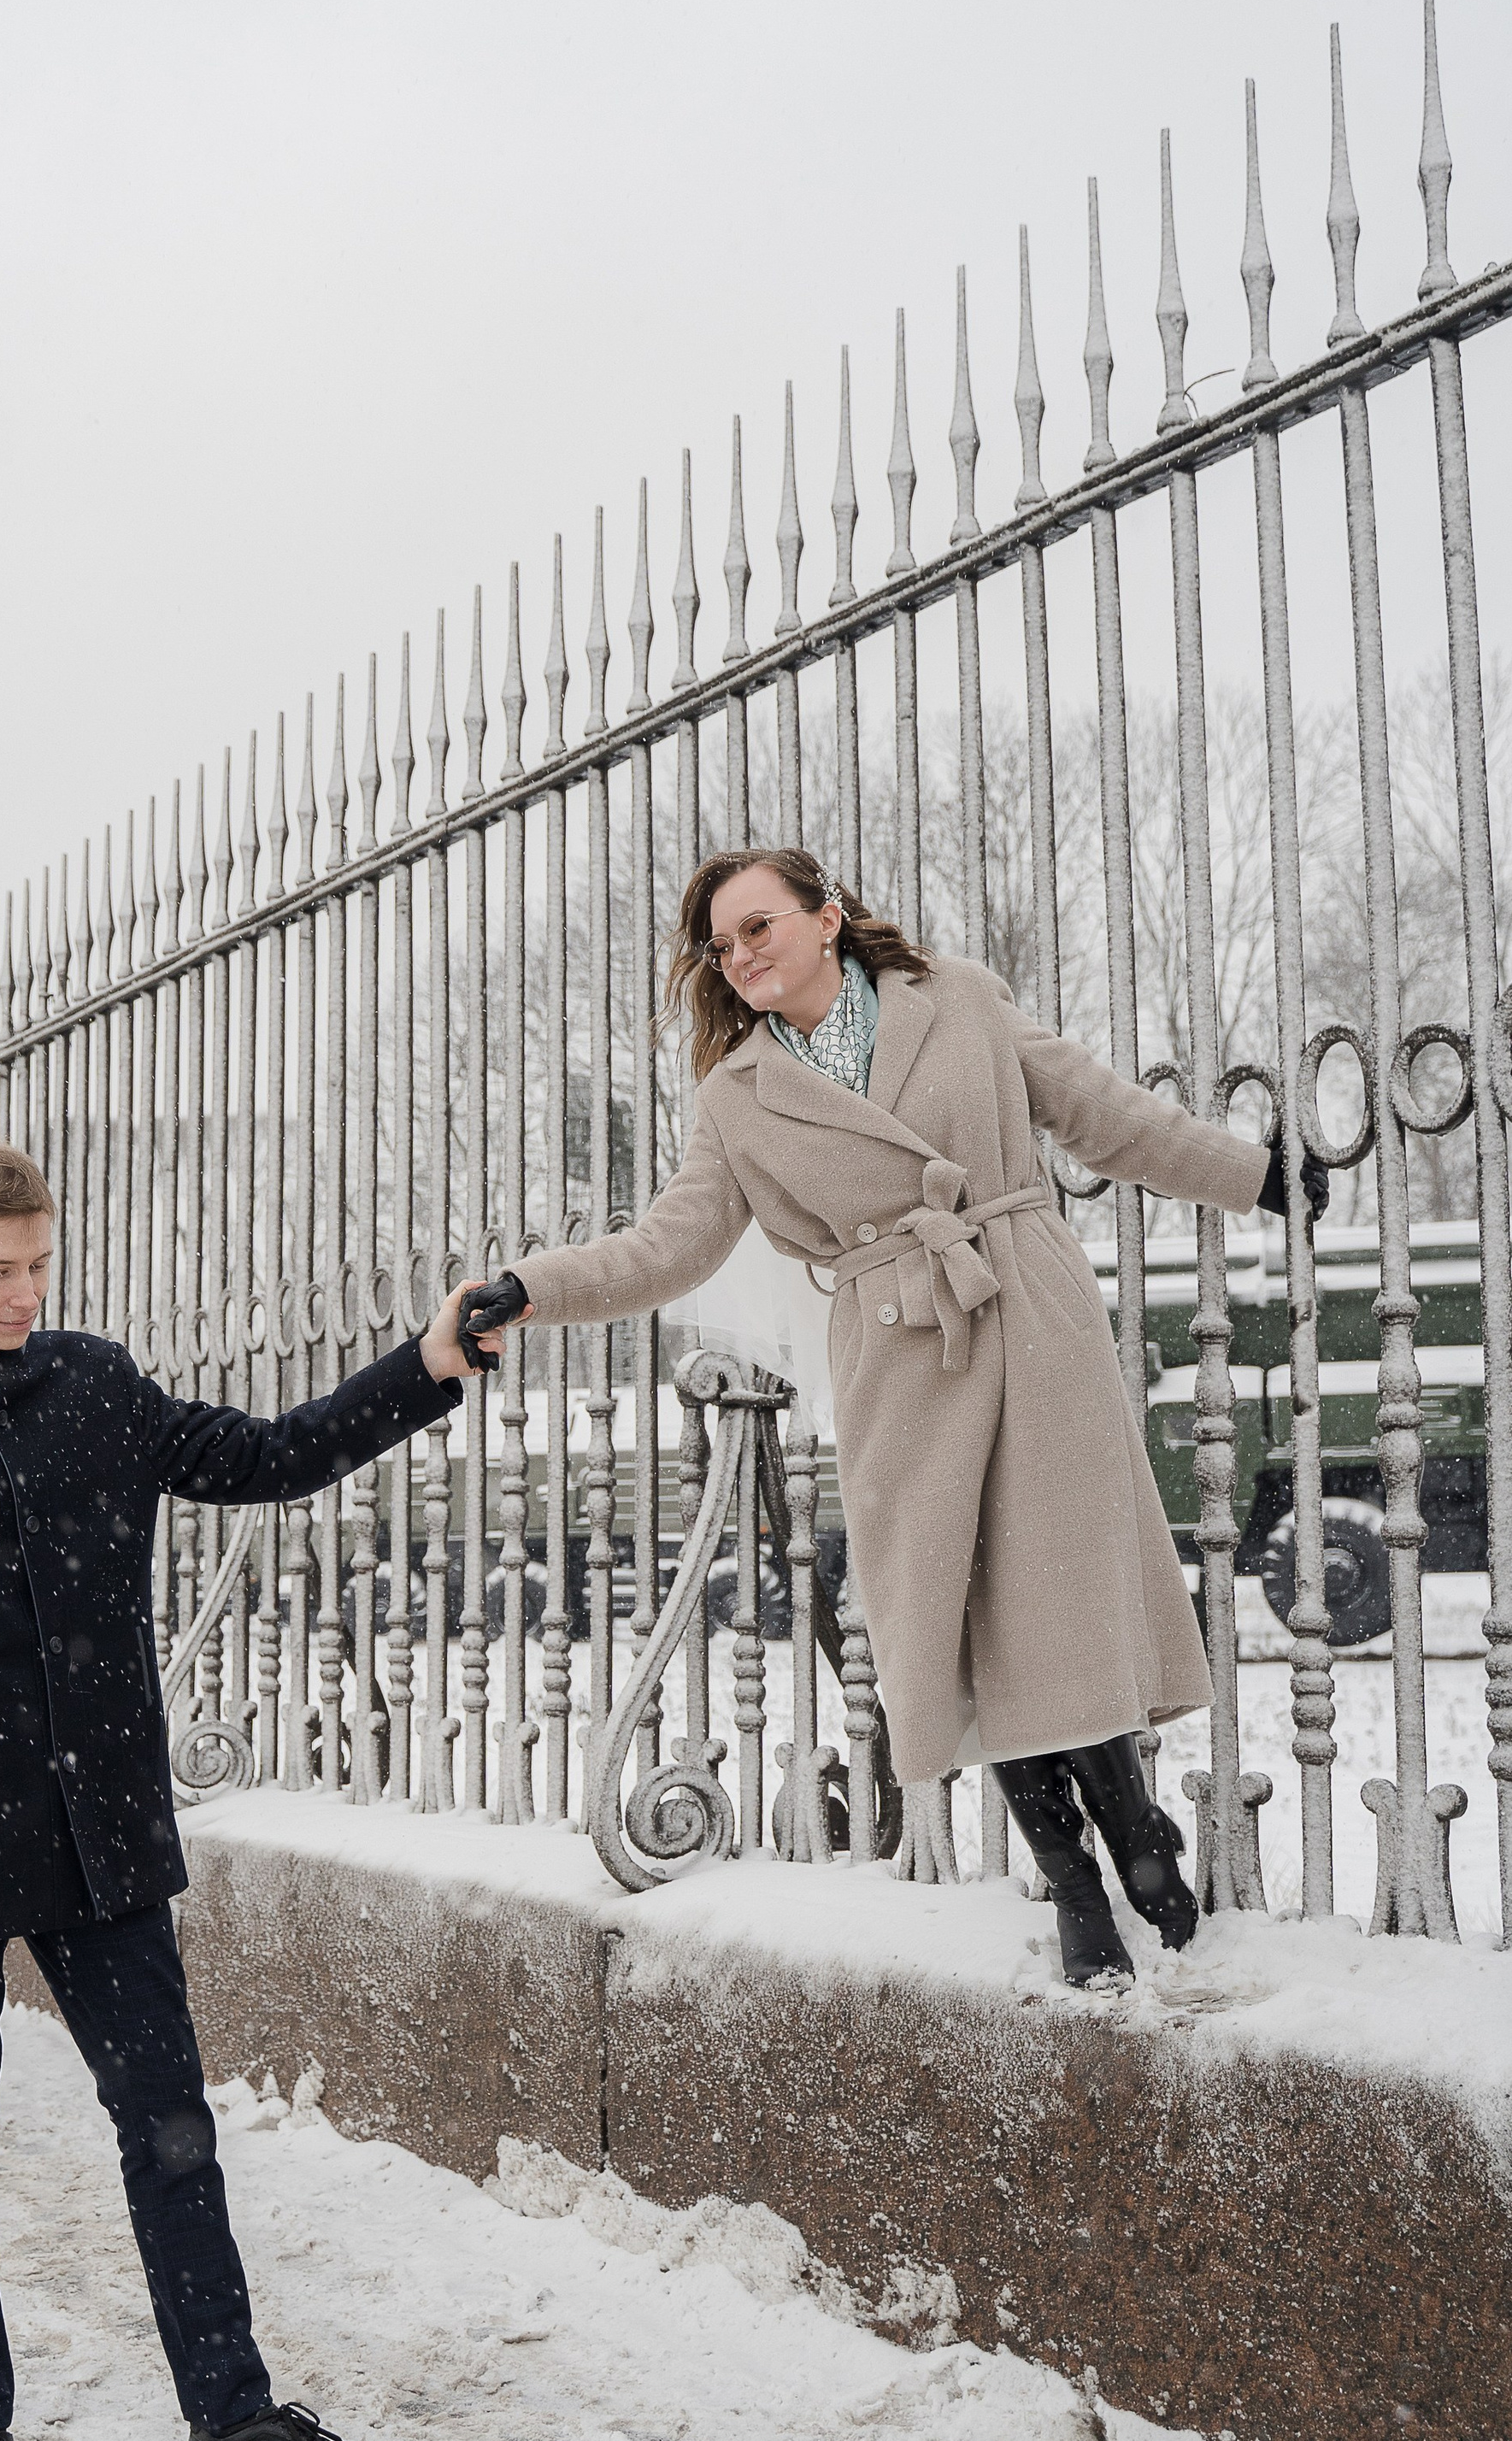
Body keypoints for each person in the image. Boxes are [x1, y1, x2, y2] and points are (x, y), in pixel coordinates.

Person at [0, 1136, 483, 2441]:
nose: (24, 1293)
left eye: (38, 1266)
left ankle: (233, 2410)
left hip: (101, 1829)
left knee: (169, 2123)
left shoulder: (96, 1384)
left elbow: (265, 1458)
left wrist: (426, 1367)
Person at [458, 849, 1326, 1986]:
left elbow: (1099, 1116)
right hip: (897, 1347)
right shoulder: (737, 1098)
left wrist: (1252, 1174)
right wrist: (537, 1287)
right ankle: (1070, 1875)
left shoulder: (958, 996)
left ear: (827, 919)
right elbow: (672, 1244)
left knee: (1056, 1595)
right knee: (957, 1610)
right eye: (723, 945)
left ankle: (1132, 1828)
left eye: (760, 925)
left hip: (1026, 1310)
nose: (742, 954)